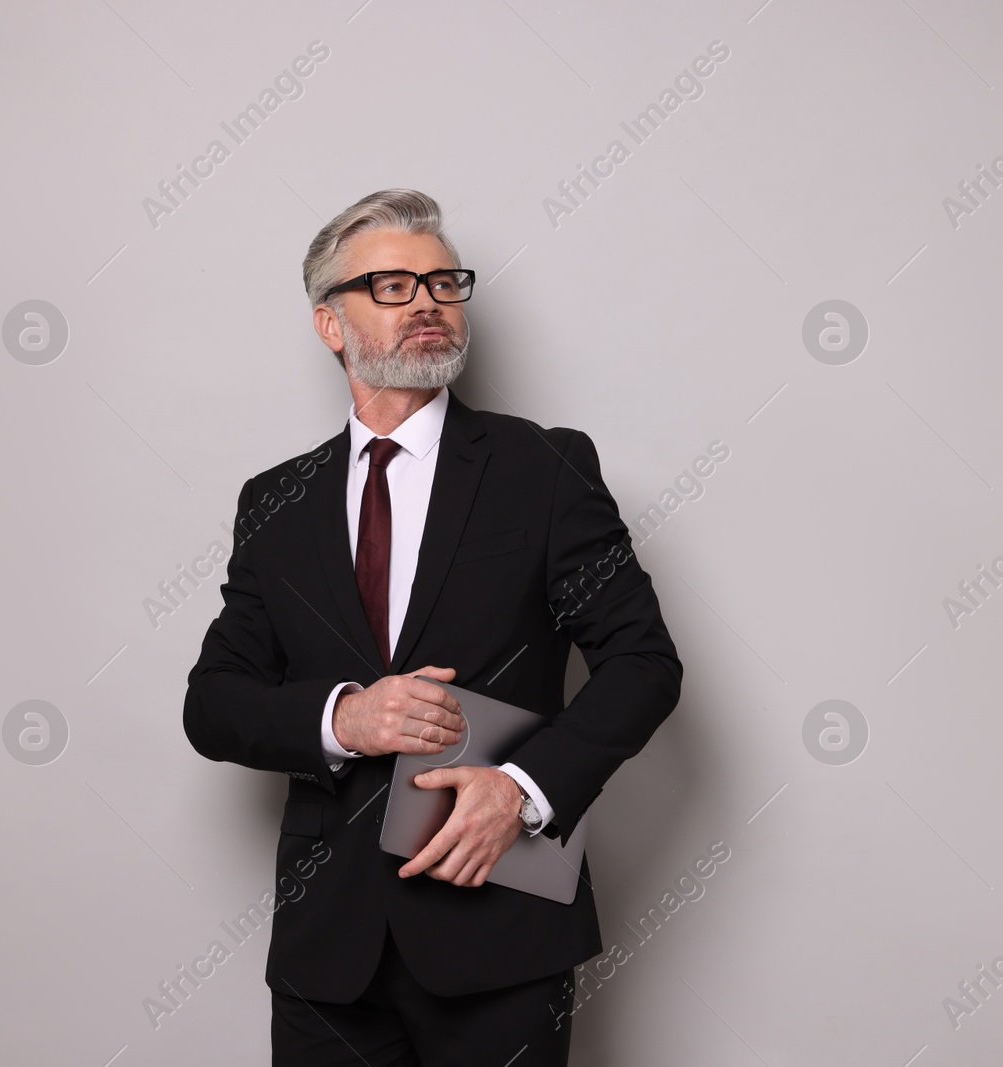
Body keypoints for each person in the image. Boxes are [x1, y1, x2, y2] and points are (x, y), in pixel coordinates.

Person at [182, 188, 683, 1066]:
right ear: (329, 324)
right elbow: (214, 703)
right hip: (325, 951)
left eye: (444, 282)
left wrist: (524, 792)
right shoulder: (275, 502)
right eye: (390, 285)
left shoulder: (546, 466)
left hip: (499, 928)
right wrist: (344, 718)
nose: (426, 301)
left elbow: (643, 663)